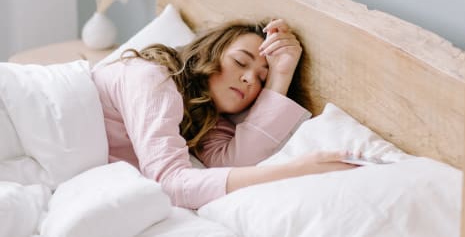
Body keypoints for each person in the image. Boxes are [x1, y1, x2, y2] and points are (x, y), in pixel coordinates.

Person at [92, 18, 356, 210]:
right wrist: (294, 170)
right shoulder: (154, 78)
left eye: (261, 80)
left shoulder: (203, 117)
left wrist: (280, 76)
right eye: (240, 61)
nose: (249, 79)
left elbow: (235, 162)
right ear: (210, 51)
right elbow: (171, 184)